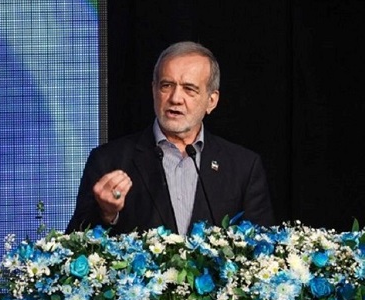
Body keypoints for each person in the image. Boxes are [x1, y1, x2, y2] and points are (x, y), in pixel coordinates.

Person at [67, 41, 274, 234]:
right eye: (166, 86)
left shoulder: (243, 167)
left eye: (189, 89)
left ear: (211, 101)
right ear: (154, 90)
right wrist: (107, 213)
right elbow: (74, 244)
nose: (175, 98)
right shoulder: (109, 160)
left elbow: (263, 246)